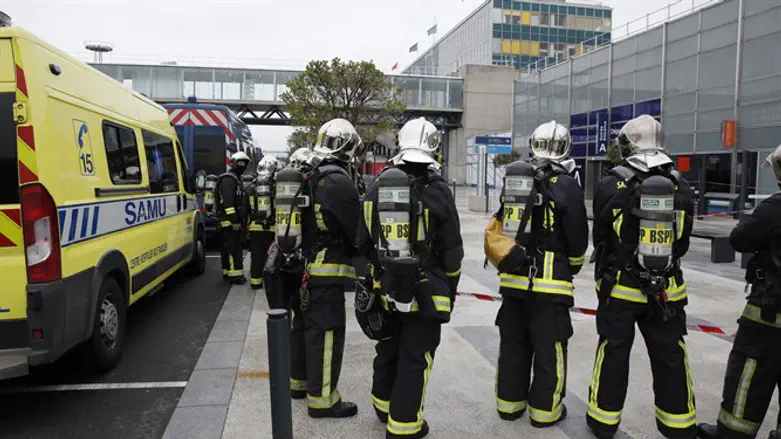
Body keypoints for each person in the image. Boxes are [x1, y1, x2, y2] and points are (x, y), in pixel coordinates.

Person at [588, 115, 696, 439]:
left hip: (620, 289)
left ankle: (603, 423)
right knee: (671, 356)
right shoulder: (681, 184)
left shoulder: (612, 182)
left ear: (628, 145)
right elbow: (684, 242)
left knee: (613, 355)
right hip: (668, 292)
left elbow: (601, 238)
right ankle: (679, 425)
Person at [357, 117, 464, 439]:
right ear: (433, 147)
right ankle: (405, 426)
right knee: (416, 356)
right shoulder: (438, 190)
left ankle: (383, 406)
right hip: (424, 289)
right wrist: (450, 286)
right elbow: (452, 250)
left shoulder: (377, 188)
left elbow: (362, 242)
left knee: (388, 347)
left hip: (384, 287)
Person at [488, 121, 588, 428]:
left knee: (513, 345)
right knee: (549, 348)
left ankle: (509, 405)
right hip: (550, 286)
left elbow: (503, 221)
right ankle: (545, 412)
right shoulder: (567, 184)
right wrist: (571, 267)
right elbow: (577, 237)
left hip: (512, 280)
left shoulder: (518, 179)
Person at [696, 146, 781, 439]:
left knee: (748, 376)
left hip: (769, 317)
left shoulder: (774, 208)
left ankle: (733, 433)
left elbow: (739, 239)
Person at [281, 119, 362, 418]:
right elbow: (356, 231)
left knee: (302, 328)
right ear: (347, 147)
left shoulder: (310, 173)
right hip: (326, 271)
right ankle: (323, 400)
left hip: (304, 266)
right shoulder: (338, 180)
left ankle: (299, 384)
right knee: (327, 332)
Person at [215, 151, 251, 284]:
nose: (242, 166)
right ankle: (234, 276)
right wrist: (234, 221)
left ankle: (230, 273)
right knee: (232, 249)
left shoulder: (235, 179)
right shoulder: (228, 180)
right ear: (234, 163)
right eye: (240, 163)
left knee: (232, 248)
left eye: (244, 164)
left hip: (232, 220)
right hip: (229, 222)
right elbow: (229, 203)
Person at [248, 156, 279, 290]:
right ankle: (271, 283)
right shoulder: (276, 186)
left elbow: (245, 208)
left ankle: (256, 283)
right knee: (272, 255)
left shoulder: (251, 186)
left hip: (255, 227)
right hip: (272, 228)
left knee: (256, 256)